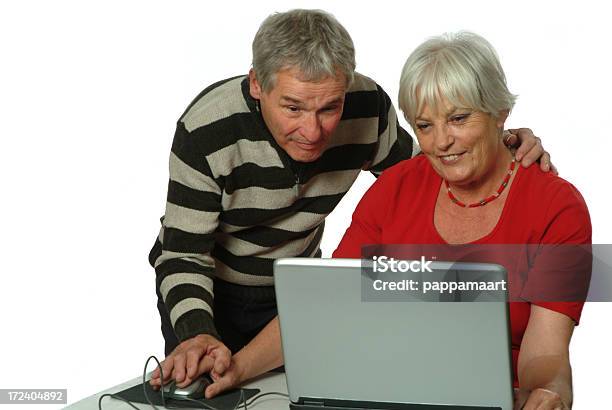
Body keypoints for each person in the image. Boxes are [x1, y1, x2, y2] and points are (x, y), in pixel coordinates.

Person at [148, 10, 549, 398]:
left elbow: (433, 172)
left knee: (303, 395)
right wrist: (197, 331)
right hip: (207, 288)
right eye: (293, 107)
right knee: (206, 394)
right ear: (257, 84)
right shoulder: (205, 129)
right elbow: (183, 255)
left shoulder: (366, 107)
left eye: (330, 108)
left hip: (300, 286)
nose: (312, 130)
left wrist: (499, 141)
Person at [333, 32, 590, 409]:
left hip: (496, 397)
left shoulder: (558, 207)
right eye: (424, 126)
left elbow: (545, 356)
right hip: (389, 387)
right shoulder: (393, 188)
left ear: (499, 112)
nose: (441, 142)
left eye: (458, 118)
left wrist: (548, 393)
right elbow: (335, 304)